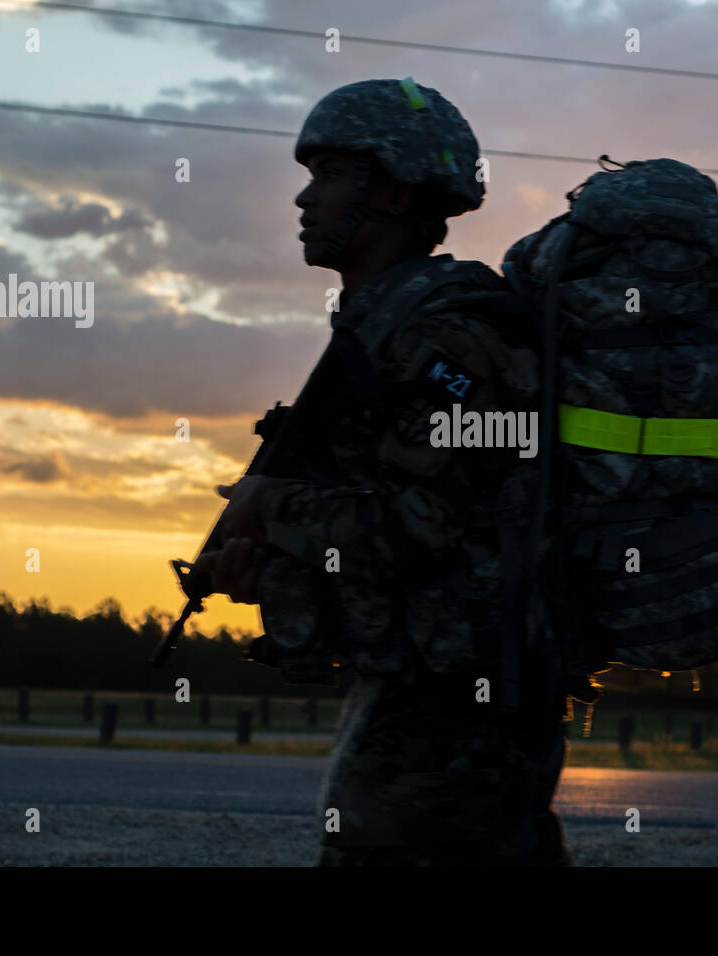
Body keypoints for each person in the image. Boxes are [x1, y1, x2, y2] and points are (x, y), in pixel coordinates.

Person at [196, 78, 573, 866]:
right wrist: (274, 567)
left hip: (459, 703)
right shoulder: (387, 326)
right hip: (432, 691)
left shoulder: (450, 338)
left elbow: (421, 525)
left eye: (330, 175)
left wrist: (270, 507)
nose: (305, 198)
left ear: (395, 192)